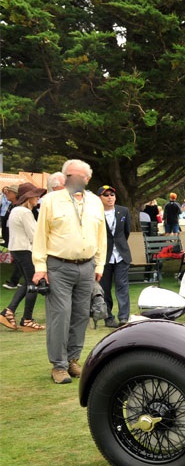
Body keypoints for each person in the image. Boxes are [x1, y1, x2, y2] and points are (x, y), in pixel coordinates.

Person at [32, 159, 107, 384]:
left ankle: (73, 360)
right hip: (58, 266)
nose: (76, 180)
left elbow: (101, 236)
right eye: (71, 176)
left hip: (87, 266)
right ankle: (59, 365)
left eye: (80, 176)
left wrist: (99, 264)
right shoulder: (51, 201)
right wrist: (40, 267)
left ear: (88, 179)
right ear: (64, 178)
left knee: (81, 316)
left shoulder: (95, 202)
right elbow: (40, 236)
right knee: (60, 316)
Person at [1, 182, 48, 331]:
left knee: (27, 283)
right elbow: (35, 236)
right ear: (29, 197)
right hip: (26, 250)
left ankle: (8, 311)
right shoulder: (25, 213)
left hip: (16, 250)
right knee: (33, 285)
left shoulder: (16, 210)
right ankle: (27, 319)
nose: (38, 198)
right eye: (36, 196)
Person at [97, 185, 132, 327]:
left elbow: (126, 232)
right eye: (106, 195)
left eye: (112, 194)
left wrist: (120, 246)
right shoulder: (95, 213)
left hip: (121, 255)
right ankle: (108, 317)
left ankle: (123, 317)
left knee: (122, 285)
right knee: (105, 288)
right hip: (104, 256)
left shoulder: (123, 211)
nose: (110, 197)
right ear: (100, 198)